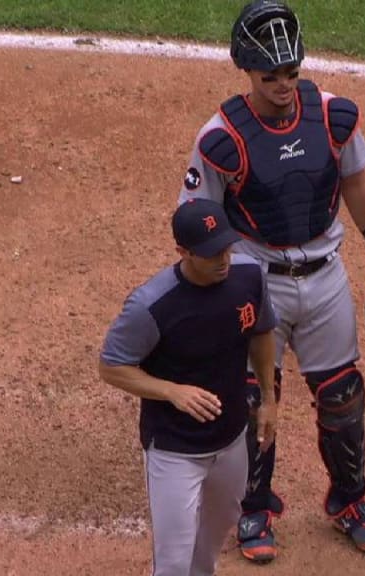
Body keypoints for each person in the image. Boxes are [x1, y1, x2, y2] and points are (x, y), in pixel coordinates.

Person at [178, 0, 365, 563]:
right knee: (255, 398)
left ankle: (349, 500)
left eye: (291, 74)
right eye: (270, 76)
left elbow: (357, 184)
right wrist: (213, 283)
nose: (283, 86)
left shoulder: (330, 116)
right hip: (257, 278)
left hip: (325, 275)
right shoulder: (221, 138)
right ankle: (254, 507)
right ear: (247, 73)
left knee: (343, 396)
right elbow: (196, 218)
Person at [98, 199, 279, 576]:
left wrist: (269, 398)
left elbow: (262, 333)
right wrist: (171, 391)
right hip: (174, 450)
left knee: (212, 540)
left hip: (231, 439)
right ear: (183, 251)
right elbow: (111, 366)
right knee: (174, 562)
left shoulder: (248, 276)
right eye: (212, 253)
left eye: (227, 247)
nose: (223, 259)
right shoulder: (152, 305)